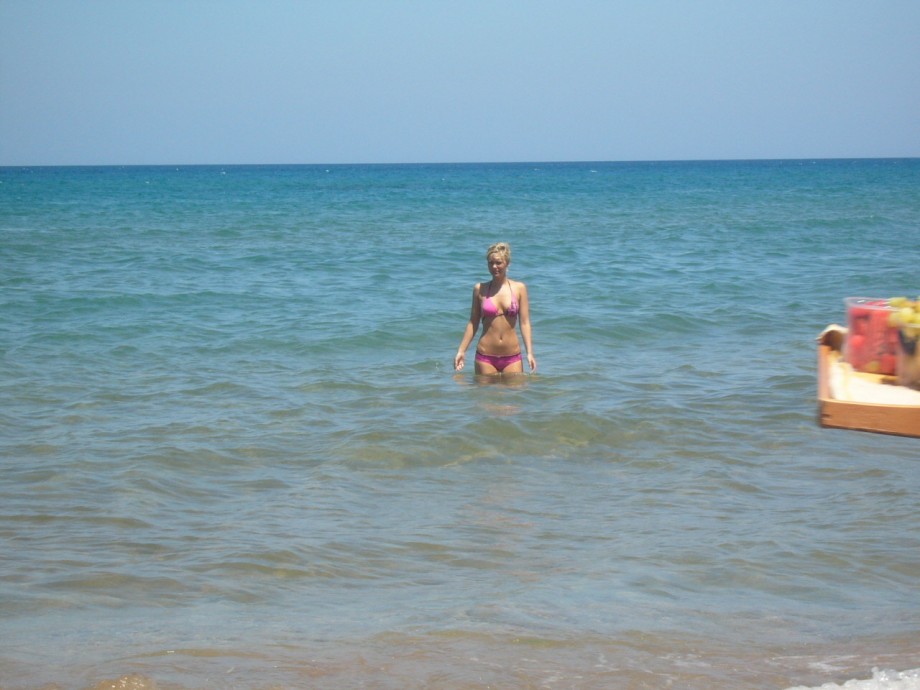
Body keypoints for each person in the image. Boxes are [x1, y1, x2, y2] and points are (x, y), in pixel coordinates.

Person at [454, 242, 536, 375]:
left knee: (515, 394)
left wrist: (530, 353)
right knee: (486, 396)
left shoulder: (519, 288)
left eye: (498, 263)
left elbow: (525, 323)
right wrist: (461, 351)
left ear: (507, 263)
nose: (494, 267)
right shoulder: (480, 289)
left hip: (512, 356)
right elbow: (473, 323)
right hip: (485, 356)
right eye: (490, 263)